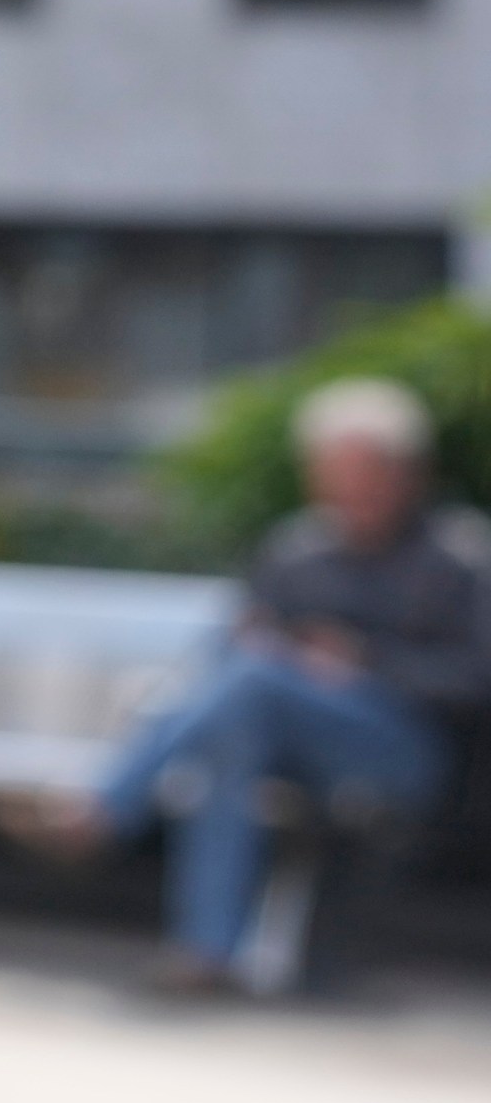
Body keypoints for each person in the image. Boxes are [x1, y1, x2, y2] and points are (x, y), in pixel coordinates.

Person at [37, 377, 484, 993]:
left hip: (405, 751)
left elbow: (475, 678)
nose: (345, 489)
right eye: (332, 473)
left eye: (362, 473)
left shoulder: (456, 556)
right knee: (232, 729)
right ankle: (207, 954)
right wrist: (262, 651)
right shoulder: (298, 549)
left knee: (250, 686)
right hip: (280, 733)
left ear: (405, 473)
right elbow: (229, 649)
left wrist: (366, 662)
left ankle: (109, 805)